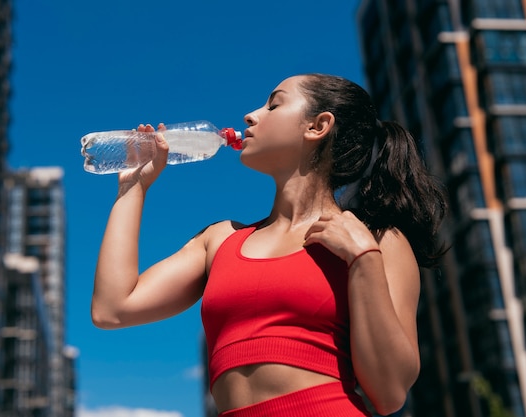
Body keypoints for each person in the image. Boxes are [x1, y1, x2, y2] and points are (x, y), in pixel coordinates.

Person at [90, 73, 447, 417]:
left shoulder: (375, 241)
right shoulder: (220, 240)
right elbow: (112, 309)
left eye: (273, 105)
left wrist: (364, 260)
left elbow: (389, 394)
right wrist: (132, 189)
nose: (251, 115)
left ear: (317, 126)